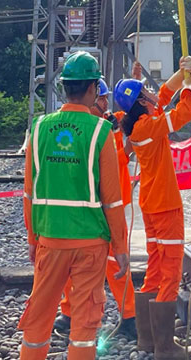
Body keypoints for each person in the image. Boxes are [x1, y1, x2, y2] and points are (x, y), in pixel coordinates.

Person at [18, 51, 130, 360]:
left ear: (64, 87)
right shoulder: (100, 132)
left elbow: (29, 191)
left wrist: (32, 237)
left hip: (50, 239)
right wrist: (120, 247)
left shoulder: (39, 128)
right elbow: (112, 199)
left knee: (38, 317)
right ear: (94, 88)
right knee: (84, 324)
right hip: (91, 244)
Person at [113, 57, 191, 359]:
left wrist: (181, 72)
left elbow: (163, 95)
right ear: (140, 100)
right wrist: (190, 87)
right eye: (144, 91)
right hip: (165, 206)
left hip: (152, 205)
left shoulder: (140, 123)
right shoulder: (150, 125)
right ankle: (165, 348)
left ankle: (147, 341)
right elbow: (182, 115)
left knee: (154, 269)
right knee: (170, 270)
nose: (151, 92)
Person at [52, 78, 137, 340]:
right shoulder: (86, 129)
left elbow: (125, 152)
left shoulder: (110, 127)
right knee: (72, 261)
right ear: (90, 95)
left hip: (109, 205)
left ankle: (131, 316)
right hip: (86, 205)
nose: (105, 103)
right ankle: (69, 312)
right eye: (101, 98)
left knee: (115, 262)